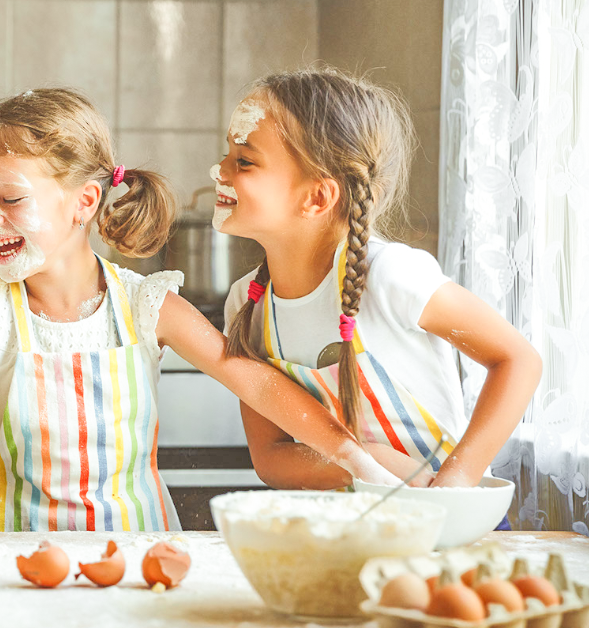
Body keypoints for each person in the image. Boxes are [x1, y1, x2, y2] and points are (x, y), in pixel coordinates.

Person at [0, 88, 400, 532]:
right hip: (12, 546)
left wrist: (354, 460)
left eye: (12, 200)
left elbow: (258, 384)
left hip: (137, 545)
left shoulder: (147, 304)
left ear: (84, 202)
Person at [217, 68, 542, 490]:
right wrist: (364, 463)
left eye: (243, 161)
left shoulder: (389, 275)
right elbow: (271, 458)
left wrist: (457, 481)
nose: (219, 170)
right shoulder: (246, 301)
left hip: (447, 523)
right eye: (227, 154)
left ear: (317, 196)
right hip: (348, 526)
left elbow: (518, 360)